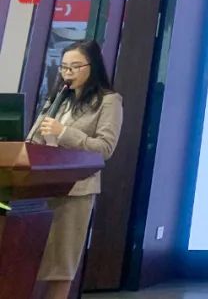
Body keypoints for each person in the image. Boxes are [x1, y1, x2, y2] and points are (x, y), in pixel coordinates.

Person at [27, 40, 123, 299]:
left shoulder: (109, 101)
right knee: (29, 259)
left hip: (75, 191)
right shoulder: (58, 99)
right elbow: (33, 139)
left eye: (75, 67)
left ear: (92, 67)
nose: (67, 73)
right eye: (64, 67)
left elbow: (104, 148)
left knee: (60, 266)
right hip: (40, 188)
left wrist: (64, 133)